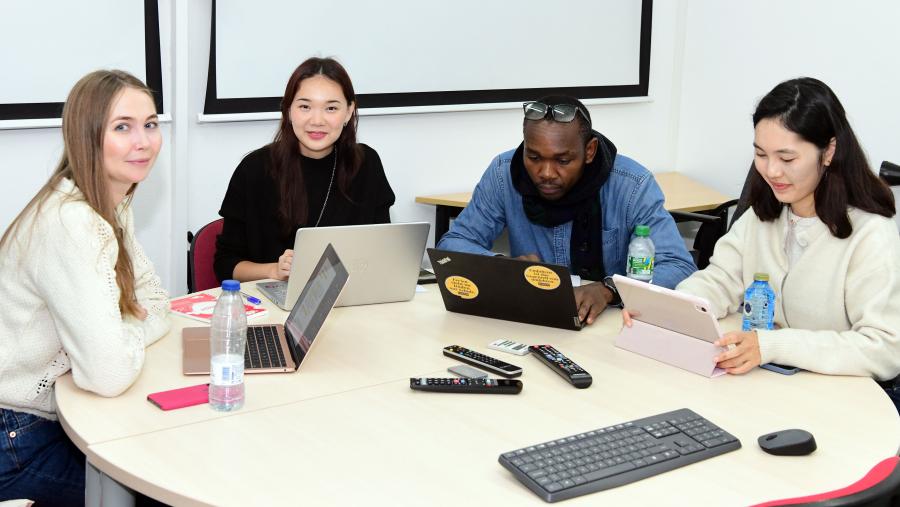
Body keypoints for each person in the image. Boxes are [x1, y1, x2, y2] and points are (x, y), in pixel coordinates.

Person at [628, 78, 900, 400]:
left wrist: (769, 346)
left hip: (837, 399)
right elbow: (721, 279)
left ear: (829, 151)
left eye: (787, 159)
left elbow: (884, 348)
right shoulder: (764, 213)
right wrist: (670, 309)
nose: (771, 171)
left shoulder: (871, 234)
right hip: (770, 388)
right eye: (760, 154)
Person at [0, 70, 170, 504]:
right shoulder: (72, 221)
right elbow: (108, 374)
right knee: (158, 491)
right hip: (16, 436)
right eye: (122, 127)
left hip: (46, 416)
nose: (143, 141)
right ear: (86, 136)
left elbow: (156, 300)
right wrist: (130, 332)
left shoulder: (109, 200)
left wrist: (121, 334)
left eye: (150, 124)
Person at [437, 95, 696, 325]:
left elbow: (678, 265)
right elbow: (454, 244)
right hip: (533, 322)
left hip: (614, 325)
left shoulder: (632, 184)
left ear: (590, 151)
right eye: (534, 157)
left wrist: (610, 289)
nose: (546, 173)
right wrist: (501, 266)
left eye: (563, 160)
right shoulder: (505, 173)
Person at [214, 57, 396, 282]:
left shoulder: (366, 163)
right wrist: (273, 271)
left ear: (349, 112)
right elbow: (225, 264)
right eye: (305, 107)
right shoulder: (255, 169)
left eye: (331, 108)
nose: (317, 120)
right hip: (274, 304)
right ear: (289, 110)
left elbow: (384, 252)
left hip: (351, 300)